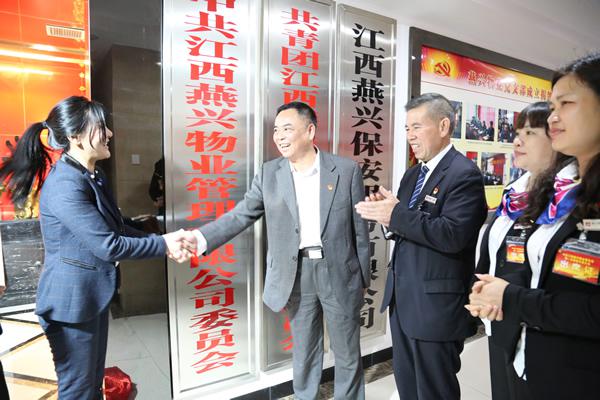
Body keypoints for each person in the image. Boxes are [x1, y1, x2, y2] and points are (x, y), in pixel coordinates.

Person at [0, 96, 195, 400]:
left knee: (92, 384)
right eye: (101, 127)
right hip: (70, 303)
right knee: (78, 390)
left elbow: (115, 227)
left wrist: (156, 230)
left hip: (91, 295)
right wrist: (165, 244)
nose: (110, 133)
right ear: (76, 136)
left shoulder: (93, 175)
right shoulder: (65, 184)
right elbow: (109, 245)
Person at [190, 101, 370, 399]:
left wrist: (362, 278)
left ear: (309, 131)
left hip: (339, 272)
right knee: (305, 351)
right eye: (276, 130)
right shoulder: (269, 173)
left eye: (287, 129)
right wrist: (201, 238)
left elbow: (359, 231)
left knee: (348, 352)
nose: (280, 137)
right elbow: (240, 215)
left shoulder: (346, 170)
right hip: (296, 274)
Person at [467, 52, 600, 400]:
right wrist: (496, 293)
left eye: (567, 103)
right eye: (552, 105)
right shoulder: (567, 192)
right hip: (539, 357)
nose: (554, 117)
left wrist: (512, 298)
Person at [355, 93, 487, 400]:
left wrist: (396, 214)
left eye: (416, 126)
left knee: (434, 391)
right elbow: (408, 227)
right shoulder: (413, 174)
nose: (410, 135)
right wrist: (388, 218)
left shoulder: (464, 174)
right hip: (403, 301)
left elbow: (453, 234)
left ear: (443, 126)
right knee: (409, 387)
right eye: (406, 128)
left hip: (435, 307)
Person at [474, 102, 560, 400]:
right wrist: (482, 290)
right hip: (500, 318)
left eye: (530, 133)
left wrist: (505, 295)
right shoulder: (516, 189)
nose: (517, 141)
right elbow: (498, 248)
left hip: (533, 322)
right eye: (517, 133)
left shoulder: (565, 196)